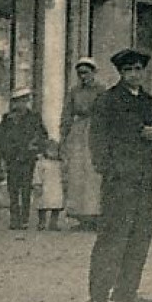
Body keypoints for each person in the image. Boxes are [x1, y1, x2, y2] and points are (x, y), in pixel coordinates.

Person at [87, 48, 152, 302]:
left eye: (138, 69)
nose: (134, 75)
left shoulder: (148, 101)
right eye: (129, 70)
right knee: (112, 236)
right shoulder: (108, 100)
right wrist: (108, 169)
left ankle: (127, 291)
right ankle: (99, 296)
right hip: (119, 179)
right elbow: (97, 138)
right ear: (121, 73)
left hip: (142, 177)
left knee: (140, 235)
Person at [59, 56, 104, 229]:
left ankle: (96, 215)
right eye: (80, 74)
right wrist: (64, 135)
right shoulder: (74, 92)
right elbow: (67, 114)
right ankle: (81, 217)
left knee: (93, 174)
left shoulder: (101, 91)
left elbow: (107, 112)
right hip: (78, 134)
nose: (83, 77)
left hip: (96, 131)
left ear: (94, 73)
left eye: (86, 73)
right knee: (77, 173)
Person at [0, 87, 48, 230]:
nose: (19, 104)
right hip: (12, 158)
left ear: (27, 101)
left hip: (28, 158)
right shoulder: (7, 118)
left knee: (26, 189)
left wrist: (36, 145)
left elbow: (43, 135)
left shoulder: (34, 117)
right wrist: (4, 154)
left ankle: (25, 219)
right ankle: (14, 218)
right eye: (16, 101)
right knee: (13, 190)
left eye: (23, 100)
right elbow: (2, 137)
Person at [33, 139, 65, 231]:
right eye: (51, 150)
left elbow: (63, 173)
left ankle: (53, 223)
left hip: (56, 187)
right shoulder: (41, 163)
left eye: (55, 151)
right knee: (42, 205)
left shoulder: (59, 163)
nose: (53, 153)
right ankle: (41, 222)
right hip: (45, 187)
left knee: (57, 206)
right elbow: (37, 174)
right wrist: (37, 184)